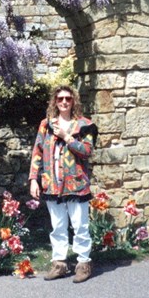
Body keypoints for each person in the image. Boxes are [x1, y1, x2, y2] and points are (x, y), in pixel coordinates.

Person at [29, 85, 98, 283]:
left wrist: (67, 137)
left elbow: (86, 151)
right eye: (60, 99)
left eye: (68, 98)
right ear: (55, 102)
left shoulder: (85, 125)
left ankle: (83, 263)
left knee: (80, 226)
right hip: (52, 185)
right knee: (58, 226)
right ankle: (59, 264)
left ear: (73, 101)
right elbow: (37, 152)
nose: (64, 102)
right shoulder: (46, 125)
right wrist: (34, 179)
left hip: (76, 185)